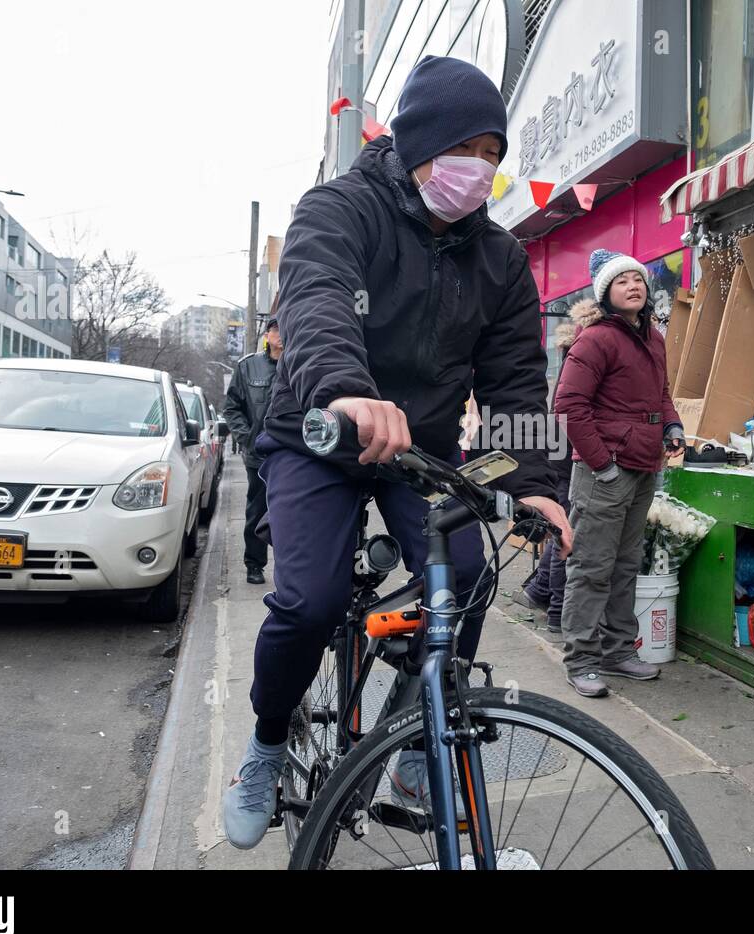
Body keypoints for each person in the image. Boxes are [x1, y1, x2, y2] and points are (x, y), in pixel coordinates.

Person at [221, 55, 573, 850]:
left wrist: (539, 483)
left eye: (494, 155)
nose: (480, 171)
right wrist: (346, 388)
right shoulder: (340, 208)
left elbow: (518, 379)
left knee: (470, 574)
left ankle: (420, 733)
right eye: (467, 149)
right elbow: (314, 296)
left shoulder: (502, 261)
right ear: (419, 142)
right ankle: (267, 742)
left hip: (424, 448)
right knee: (307, 601)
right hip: (322, 431)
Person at [554, 250, 683, 698]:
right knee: (592, 567)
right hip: (604, 471)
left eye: (639, 279)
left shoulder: (654, 339)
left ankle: (617, 650)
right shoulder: (596, 340)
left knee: (626, 564)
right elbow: (568, 407)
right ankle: (582, 659)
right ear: (606, 293)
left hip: (644, 465)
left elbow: (662, 393)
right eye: (622, 279)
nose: (634, 285)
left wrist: (672, 424)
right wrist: (601, 465)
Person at [514, 320, 580, 634]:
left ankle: (539, 591)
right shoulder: (581, 357)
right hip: (567, 456)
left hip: (560, 453)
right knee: (562, 532)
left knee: (561, 530)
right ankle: (556, 610)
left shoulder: (570, 356)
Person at [222, 319, 283, 586]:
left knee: (292, 513)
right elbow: (232, 407)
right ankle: (254, 564)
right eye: (276, 330)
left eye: (285, 329)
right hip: (258, 455)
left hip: (291, 454)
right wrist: (246, 437)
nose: (281, 335)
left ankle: (290, 569)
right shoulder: (247, 366)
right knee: (256, 512)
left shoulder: (302, 362)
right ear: (267, 335)